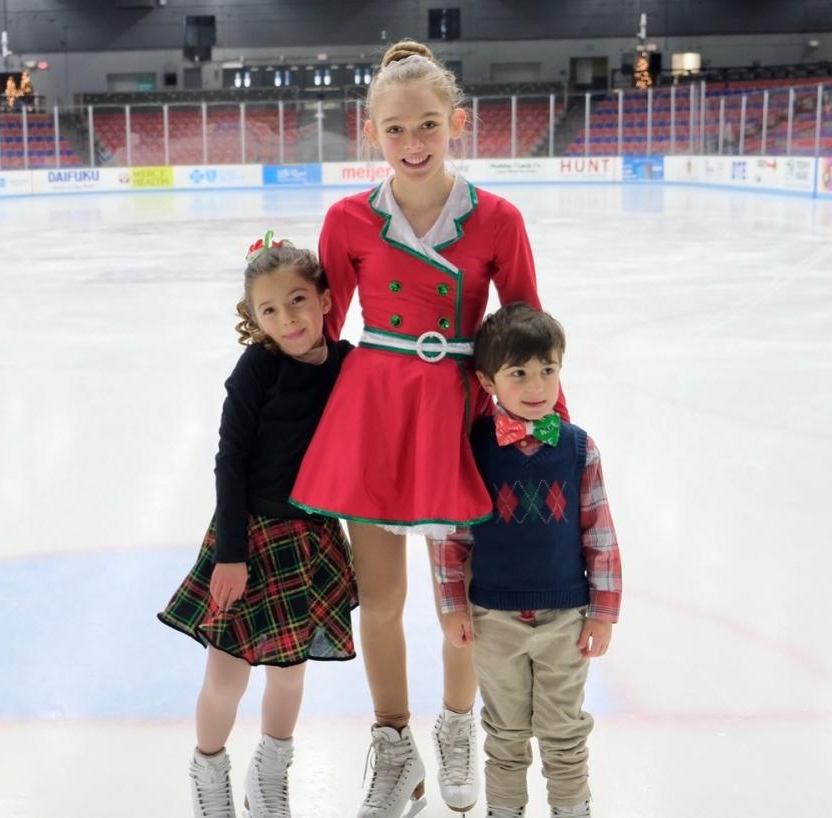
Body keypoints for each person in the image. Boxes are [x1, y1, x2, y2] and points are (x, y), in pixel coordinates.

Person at [289, 39, 566, 818]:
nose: (413, 145)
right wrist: (280, 421)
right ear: (369, 130)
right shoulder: (347, 219)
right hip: (372, 414)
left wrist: (549, 434)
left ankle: (454, 730)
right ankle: (393, 746)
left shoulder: (497, 219)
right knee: (380, 598)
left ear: (458, 124)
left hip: (457, 415)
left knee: (463, 603)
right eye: (396, 129)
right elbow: (323, 335)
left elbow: (523, 334)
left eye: (429, 127)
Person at [158, 232, 359, 818]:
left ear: (324, 299)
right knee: (227, 672)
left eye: (297, 300)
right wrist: (230, 552)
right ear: (255, 319)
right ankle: (210, 775)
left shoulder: (347, 365)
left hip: (310, 539)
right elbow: (230, 458)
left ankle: (270, 776)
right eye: (269, 310)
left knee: (291, 672)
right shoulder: (257, 369)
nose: (287, 318)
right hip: (248, 536)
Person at [434, 302, 621, 818]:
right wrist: (452, 604)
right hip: (494, 621)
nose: (537, 385)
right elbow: (453, 538)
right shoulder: (474, 448)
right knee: (506, 734)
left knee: (564, 733)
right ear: (489, 381)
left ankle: (570, 809)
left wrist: (603, 612)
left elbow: (600, 535)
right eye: (519, 373)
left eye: (548, 370)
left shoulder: (579, 448)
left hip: (566, 620)